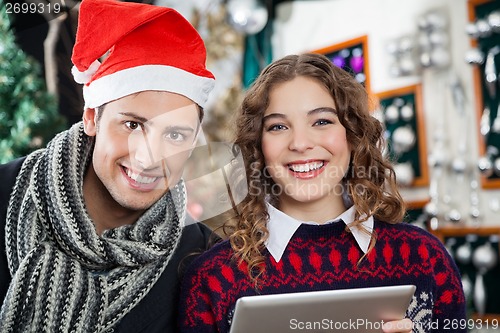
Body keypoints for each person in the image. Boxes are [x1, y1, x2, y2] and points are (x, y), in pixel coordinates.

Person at [177, 53, 466, 333]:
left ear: (353, 135)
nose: (300, 143)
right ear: (258, 147)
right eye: (278, 126)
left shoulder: (423, 257)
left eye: (322, 121)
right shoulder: (212, 278)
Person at [0, 0, 217, 332]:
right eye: (132, 125)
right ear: (92, 117)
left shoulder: (201, 257)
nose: (147, 157)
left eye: (174, 134)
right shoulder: (4, 194)